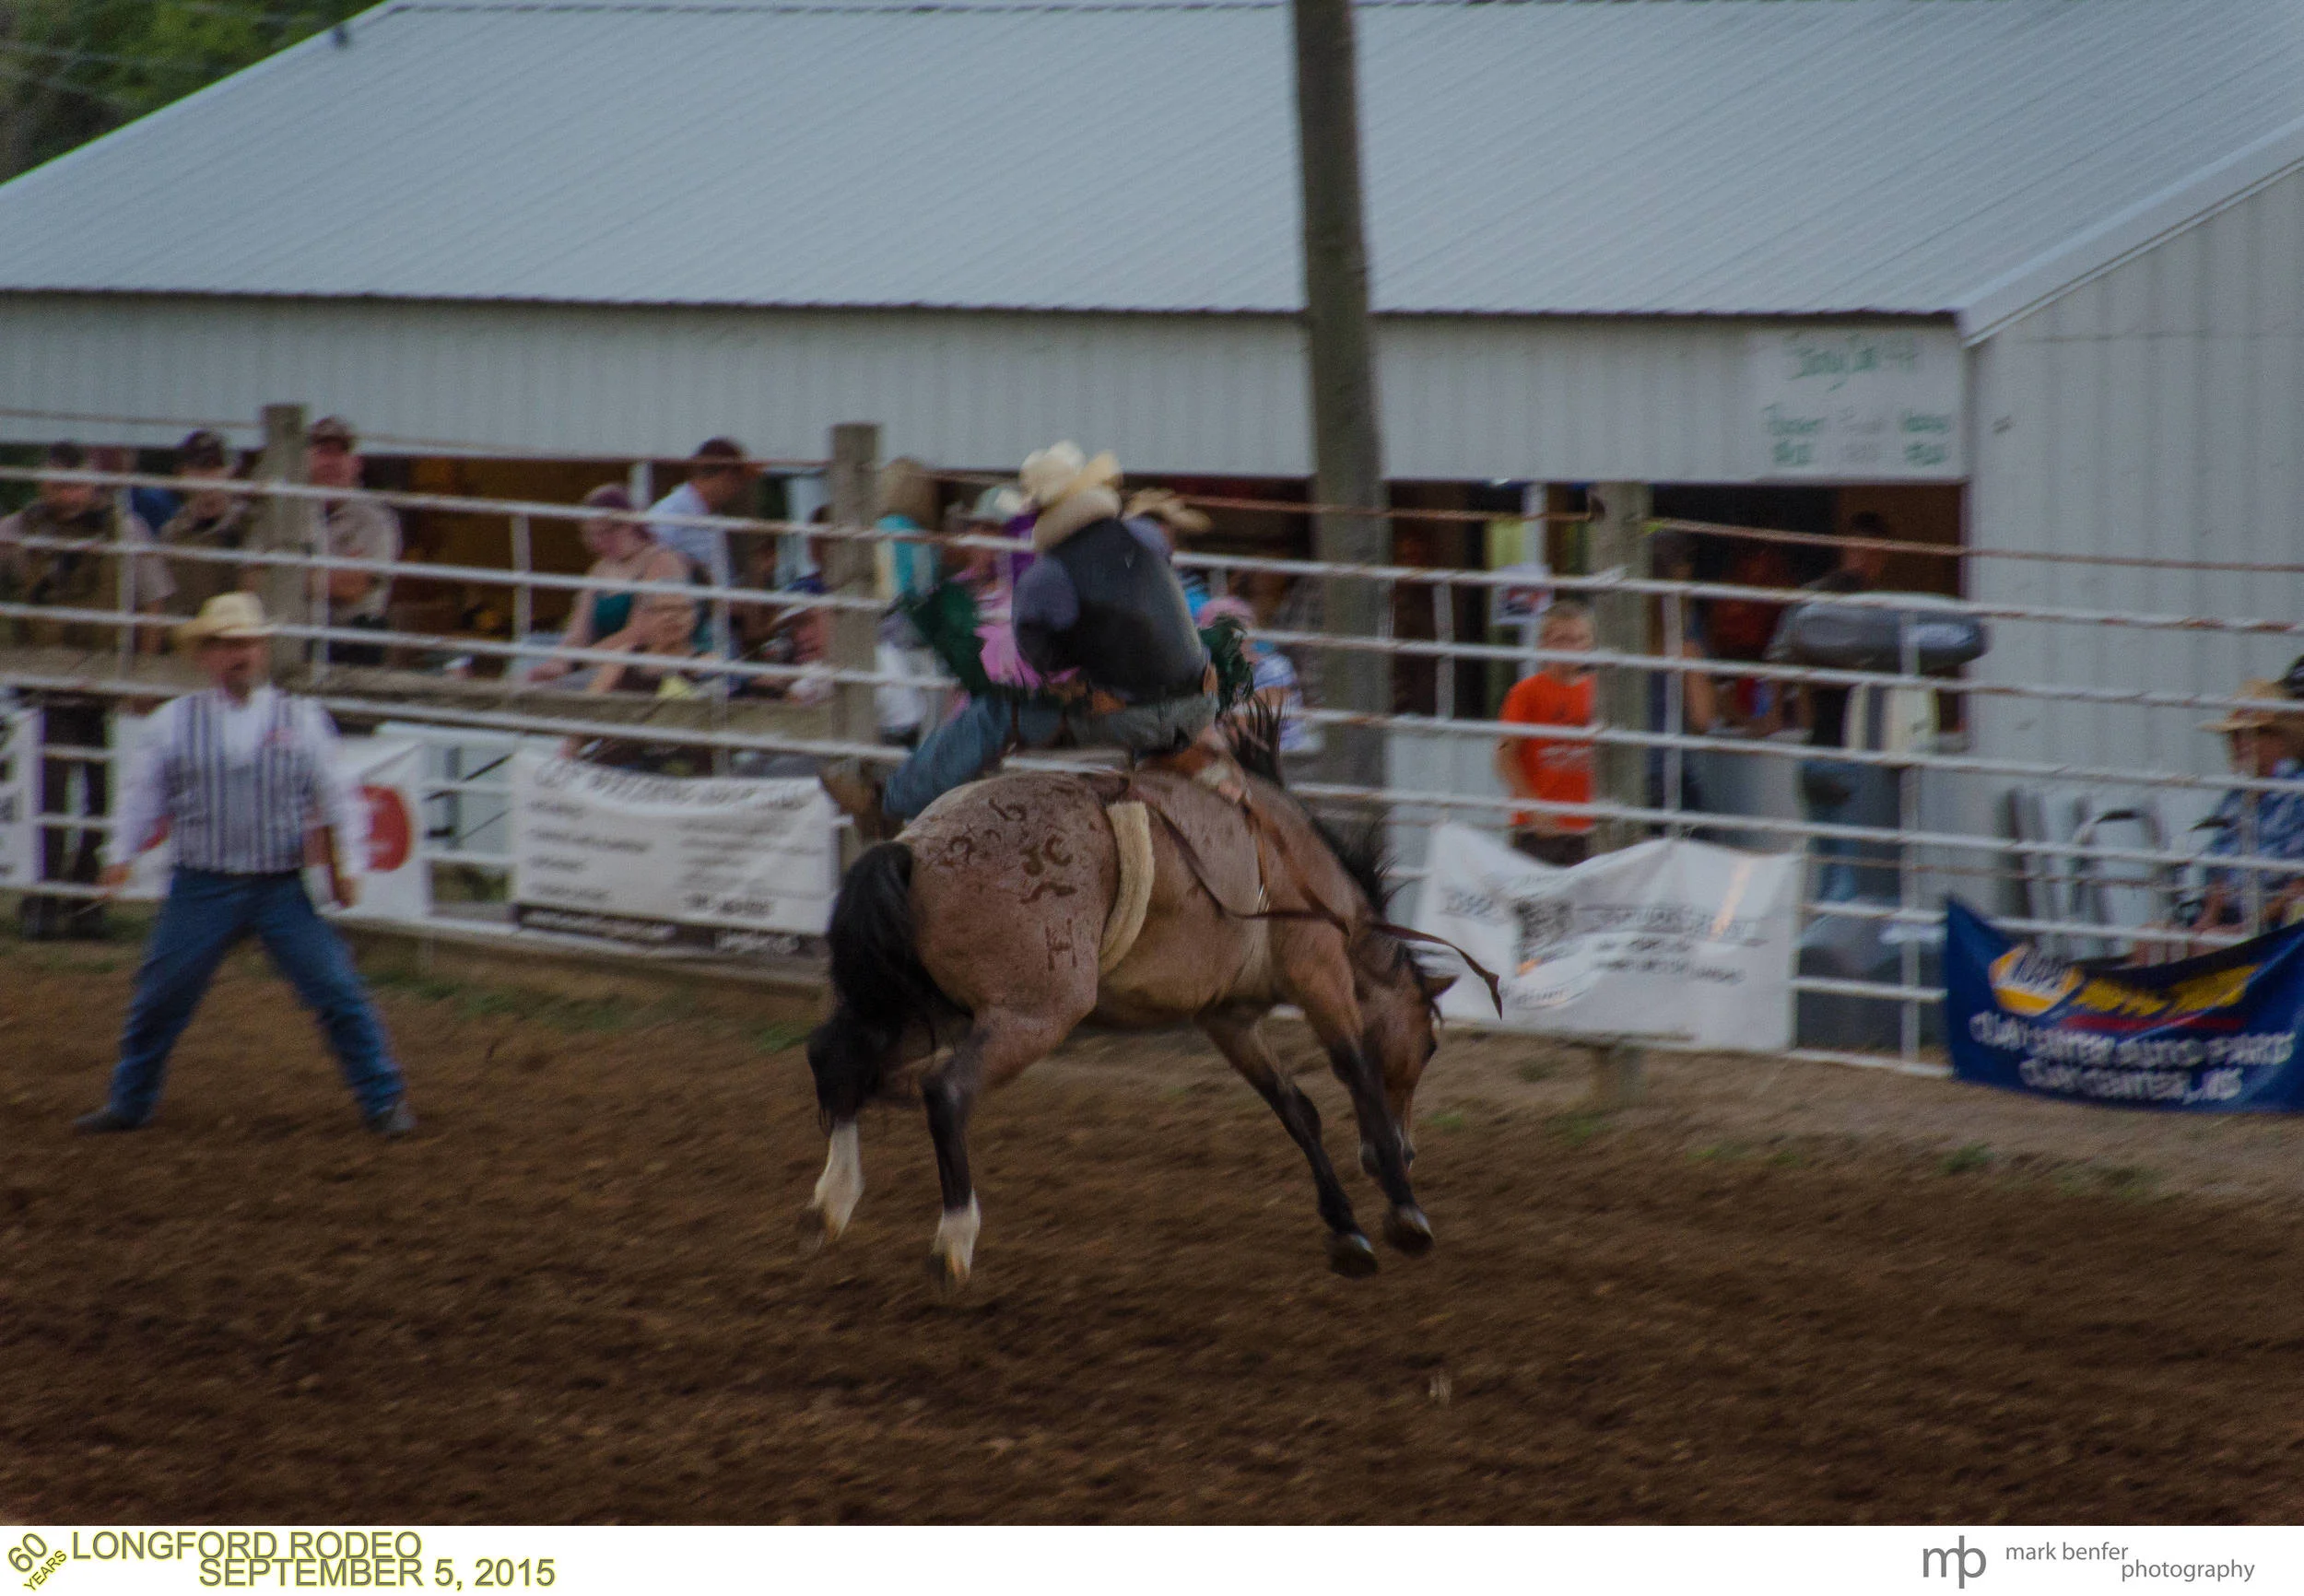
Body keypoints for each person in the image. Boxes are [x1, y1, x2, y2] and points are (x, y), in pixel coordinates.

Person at [74, 593, 414, 1137]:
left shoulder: (301, 719)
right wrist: (120, 855)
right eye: (230, 645)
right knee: (161, 994)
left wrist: (349, 864)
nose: (243, 655)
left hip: (277, 883)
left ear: (263, 650)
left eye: (250, 644)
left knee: (335, 988)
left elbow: (338, 795)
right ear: (206, 654)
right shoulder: (172, 723)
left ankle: (384, 1099)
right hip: (202, 882)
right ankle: (129, 1101)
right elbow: (143, 796)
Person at [818, 442, 1217, 839]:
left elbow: (1042, 665)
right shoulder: (1147, 536)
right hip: (1199, 701)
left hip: (1133, 717)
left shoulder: (1045, 579)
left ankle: (888, 800)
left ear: (1038, 513)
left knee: (996, 710)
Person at [0, 441, 176, 937]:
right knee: (52, 797)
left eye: (76, 484)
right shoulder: (20, 529)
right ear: (43, 484)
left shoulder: (125, 529)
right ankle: (48, 897)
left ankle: (83, 899)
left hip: (105, 686)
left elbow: (153, 600)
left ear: (93, 485)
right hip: (48, 684)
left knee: (102, 798)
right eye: (59, 484)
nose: (68, 495)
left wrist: (142, 675)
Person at [528, 486, 690, 684]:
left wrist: (582, 660)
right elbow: (578, 631)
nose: (598, 543)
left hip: (639, 666)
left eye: (605, 533)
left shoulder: (661, 561)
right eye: (591, 536)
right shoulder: (599, 570)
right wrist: (558, 662)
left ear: (628, 525)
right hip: (597, 664)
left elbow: (642, 632)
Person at [2193, 680, 2304, 933]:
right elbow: (2218, 870)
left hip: (2280, 930)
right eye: (2233, 736)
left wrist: (2244, 928)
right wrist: (2208, 920)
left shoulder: (2298, 796)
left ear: (2279, 740)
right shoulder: (2235, 798)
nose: (2237, 745)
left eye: (2249, 735)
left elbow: (2299, 886)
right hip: (2229, 918)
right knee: (2151, 940)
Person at [1495, 601, 1596, 866]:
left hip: (1586, 827)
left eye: (1579, 639)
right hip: (1537, 828)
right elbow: (1504, 757)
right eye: (1562, 640)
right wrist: (1535, 809)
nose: (1571, 648)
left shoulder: (1600, 693)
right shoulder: (1525, 693)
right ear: (1543, 645)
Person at [304, 417, 400, 666]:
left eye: (341, 452)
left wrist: (289, 576)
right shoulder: (286, 511)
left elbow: (352, 586)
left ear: (356, 463)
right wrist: (331, 576)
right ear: (306, 460)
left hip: (351, 642)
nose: (331, 461)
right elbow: (253, 582)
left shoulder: (376, 519)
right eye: (323, 452)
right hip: (295, 638)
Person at [649, 438, 757, 635]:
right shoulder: (669, 513)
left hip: (713, 630)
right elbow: (649, 566)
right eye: (738, 480)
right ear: (726, 476)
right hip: (682, 629)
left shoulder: (712, 517)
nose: (739, 489)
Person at [1645, 532, 1716, 817]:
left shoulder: (1616, 636)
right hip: (1668, 778)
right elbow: (1703, 718)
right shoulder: (1685, 648)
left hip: (1618, 777)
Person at [1196, 594, 1319, 757]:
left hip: (1283, 757)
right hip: (1231, 757)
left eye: (1243, 621)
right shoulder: (1206, 671)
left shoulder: (1275, 668)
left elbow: (1244, 725)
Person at [157, 428, 253, 618]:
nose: (209, 478)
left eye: (215, 467)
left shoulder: (249, 523)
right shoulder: (171, 535)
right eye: (200, 469)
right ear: (182, 474)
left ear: (230, 472)